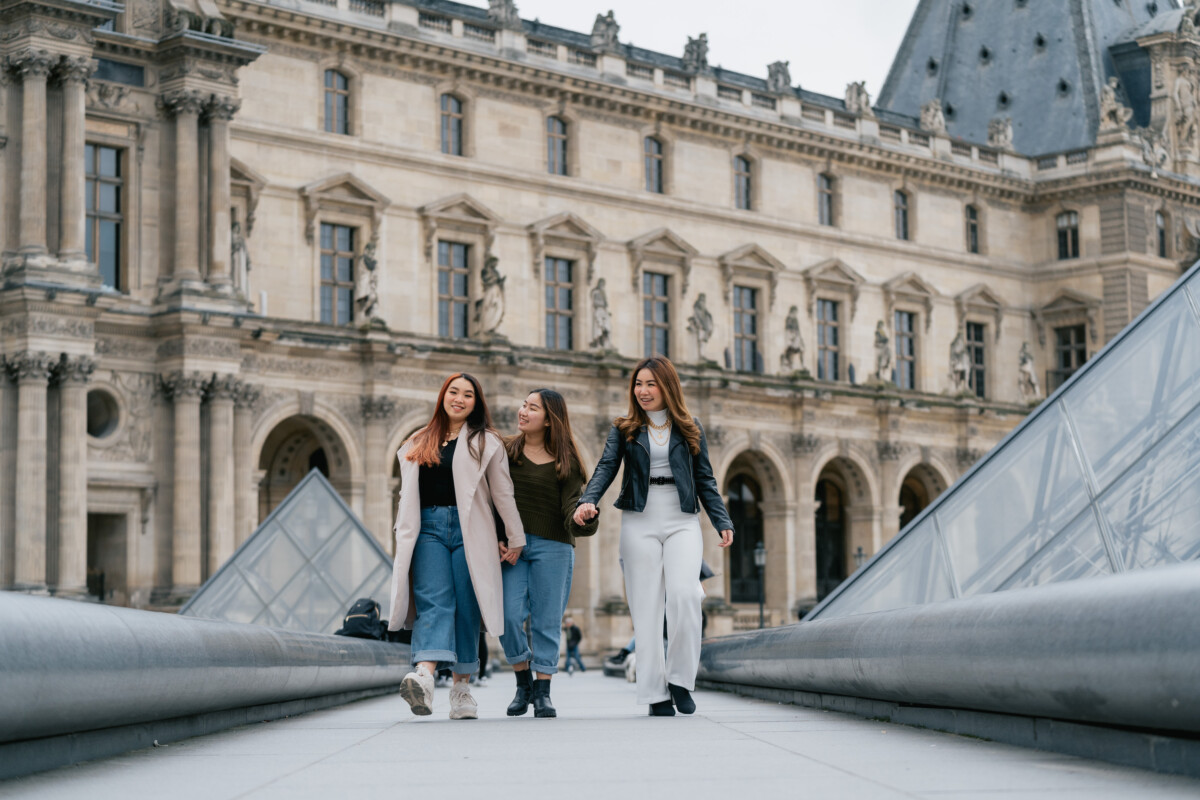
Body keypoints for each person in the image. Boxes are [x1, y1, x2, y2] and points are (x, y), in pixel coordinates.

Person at [574, 356, 734, 716]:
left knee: (686, 594)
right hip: (639, 519)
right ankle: (655, 694)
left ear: (667, 387)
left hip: (681, 519)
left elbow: (705, 478)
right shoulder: (624, 428)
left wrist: (722, 519)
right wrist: (588, 500)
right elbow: (606, 467)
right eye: (638, 384)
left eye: (651, 384)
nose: (642, 391)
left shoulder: (691, 427)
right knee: (646, 610)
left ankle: (679, 679)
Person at [387, 373, 526, 720]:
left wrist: (514, 536)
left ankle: (461, 689)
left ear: (476, 403)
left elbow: (502, 493)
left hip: (471, 532)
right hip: (428, 529)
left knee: (466, 606)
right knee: (434, 601)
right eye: (454, 392)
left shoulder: (486, 442)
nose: (459, 399)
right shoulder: (418, 440)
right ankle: (425, 676)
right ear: (443, 396)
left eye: (468, 395)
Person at [500, 389, 597, 718]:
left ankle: (542, 692)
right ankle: (522, 680)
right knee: (507, 616)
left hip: (554, 546)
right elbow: (491, 498)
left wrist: (583, 516)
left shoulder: (566, 462)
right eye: (523, 405)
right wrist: (499, 537)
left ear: (549, 418)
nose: (523, 411)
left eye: (532, 408)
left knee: (547, 621)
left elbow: (571, 507)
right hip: (513, 548)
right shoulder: (505, 450)